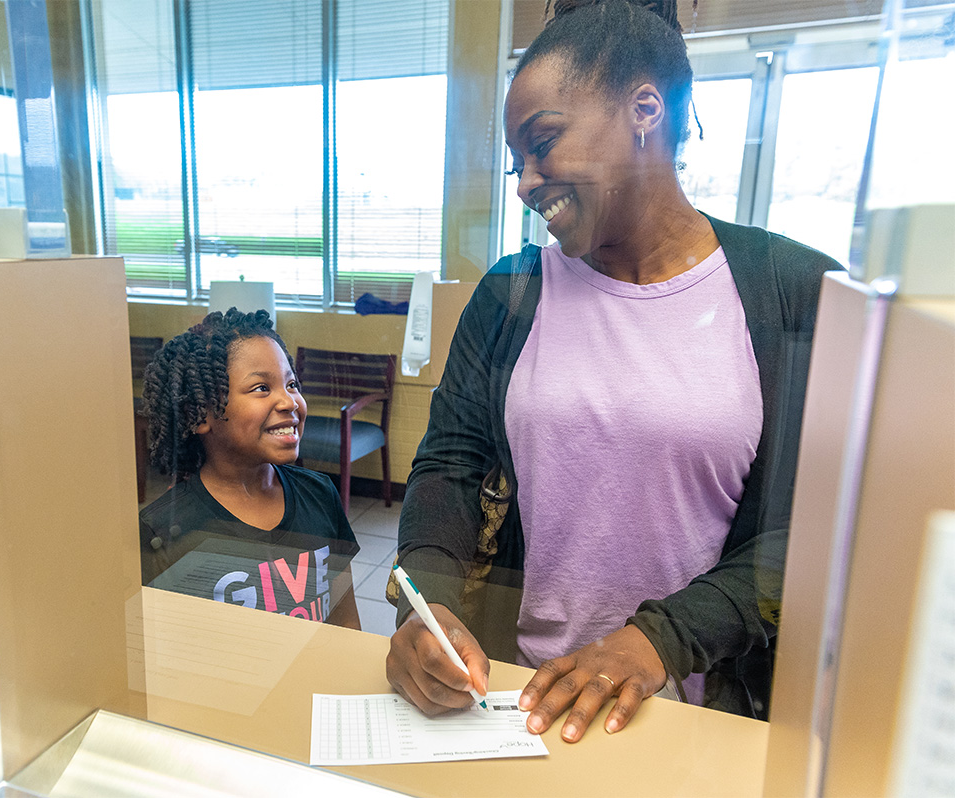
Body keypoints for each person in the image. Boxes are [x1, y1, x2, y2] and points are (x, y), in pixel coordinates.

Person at [386, 0, 838, 742]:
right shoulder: (512, 292)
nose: (527, 182)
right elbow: (450, 467)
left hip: (697, 714)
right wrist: (425, 608)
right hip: (521, 699)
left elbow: (814, 531)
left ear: (644, 108)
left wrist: (660, 640)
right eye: (516, 162)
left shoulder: (793, 294)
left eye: (544, 142)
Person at [139, 308, 362, 629]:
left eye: (292, 384)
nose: (289, 402)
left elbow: (345, 620)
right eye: (261, 388)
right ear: (200, 414)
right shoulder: (163, 531)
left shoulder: (320, 495)